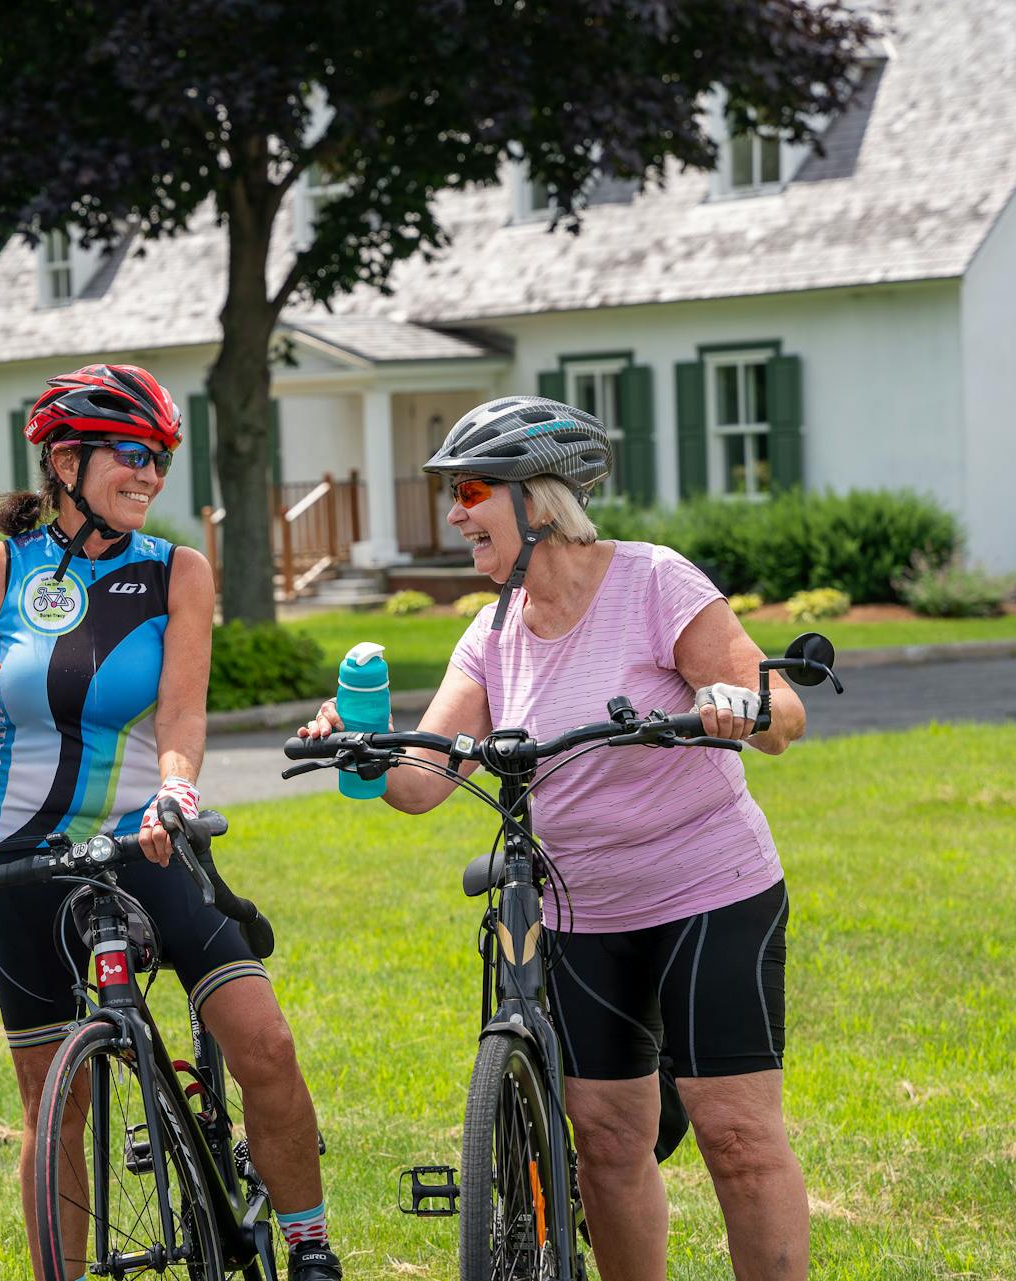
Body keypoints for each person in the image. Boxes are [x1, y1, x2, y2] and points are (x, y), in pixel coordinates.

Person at [296, 396, 813, 1281]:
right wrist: (364, 746)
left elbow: (785, 712)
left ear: (538, 500)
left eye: (470, 491)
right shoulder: (492, 631)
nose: (455, 514)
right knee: (610, 1144)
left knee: (734, 1132)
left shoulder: (655, 582)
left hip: (710, 892)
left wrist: (740, 706)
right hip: (580, 913)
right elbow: (424, 780)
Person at [0, 364, 344, 1281]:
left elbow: (181, 716)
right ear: (66, 461)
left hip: (142, 843)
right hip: (21, 865)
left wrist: (176, 790)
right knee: (51, 1111)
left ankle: (310, 1241)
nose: (150, 474)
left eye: (159, 457)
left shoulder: (176, 572)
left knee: (263, 1042)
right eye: (132, 454)